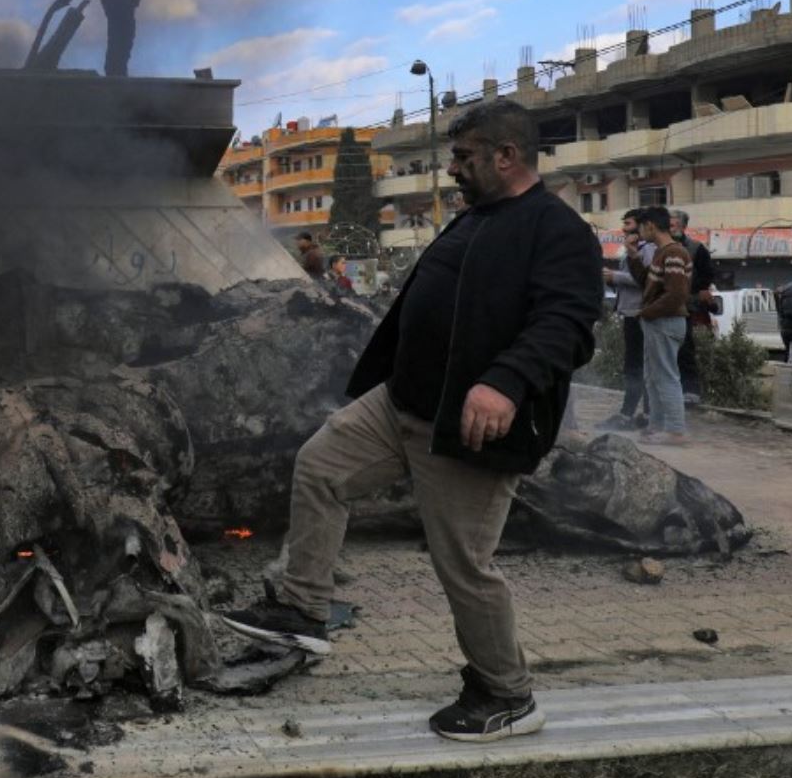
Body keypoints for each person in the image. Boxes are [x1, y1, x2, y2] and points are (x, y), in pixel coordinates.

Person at [220, 99, 601, 742]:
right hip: (401, 404)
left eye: (463, 156)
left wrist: (504, 384)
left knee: (464, 566)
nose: (452, 169)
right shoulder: (476, 218)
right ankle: (302, 608)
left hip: (469, 430)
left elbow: (567, 324)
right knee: (320, 467)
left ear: (506, 156)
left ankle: (507, 694)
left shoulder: (555, 229)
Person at [636, 205, 692, 445]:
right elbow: (648, 284)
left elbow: (675, 295)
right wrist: (632, 256)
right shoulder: (662, 252)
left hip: (665, 322)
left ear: (650, 225)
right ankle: (657, 426)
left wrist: (647, 313)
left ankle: (675, 431)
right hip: (658, 321)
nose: (639, 232)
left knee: (666, 376)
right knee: (653, 377)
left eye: (640, 226)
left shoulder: (674, 253)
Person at [597, 210, 655, 431]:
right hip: (630, 313)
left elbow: (647, 280)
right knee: (634, 366)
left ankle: (637, 415)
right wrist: (612, 280)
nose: (624, 229)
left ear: (640, 226)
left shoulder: (648, 250)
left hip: (641, 313)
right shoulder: (632, 251)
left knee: (638, 367)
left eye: (628, 224)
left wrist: (616, 277)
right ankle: (634, 413)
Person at [668, 210, 715, 404]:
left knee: (685, 348)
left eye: (674, 224)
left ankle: (690, 392)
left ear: (683, 226)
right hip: (660, 305)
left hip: (684, 306)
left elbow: (706, 275)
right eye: (668, 224)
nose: (671, 228)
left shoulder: (696, 248)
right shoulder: (656, 248)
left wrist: (693, 290)